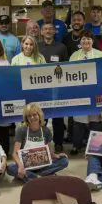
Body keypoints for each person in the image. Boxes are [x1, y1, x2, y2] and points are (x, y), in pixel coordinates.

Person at [7, 103, 68, 183]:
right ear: (26, 118)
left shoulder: (46, 131)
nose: (32, 118)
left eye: (34, 115)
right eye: (29, 116)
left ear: (39, 115)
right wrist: (21, 166)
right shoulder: (21, 130)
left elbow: (48, 152)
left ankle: (31, 177)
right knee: (9, 168)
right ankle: (42, 177)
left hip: (43, 166)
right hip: (26, 166)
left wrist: (56, 156)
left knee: (64, 161)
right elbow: (15, 153)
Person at [69, 30, 102, 155]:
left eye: (88, 39)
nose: (86, 41)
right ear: (80, 41)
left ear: (93, 41)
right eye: (83, 39)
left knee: (95, 121)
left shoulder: (101, 55)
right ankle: (76, 145)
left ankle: (95, 146)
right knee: (79, 120)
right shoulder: (74, 55)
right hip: (79, 93)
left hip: (96, 93)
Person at [38, 22, 69, 153]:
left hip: (57, 87)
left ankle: (58, 143)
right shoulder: (37, 46)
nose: (48, 31)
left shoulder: (61, 47)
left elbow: (67, 67)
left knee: (58, 117)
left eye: (51, 28)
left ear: (54, 31)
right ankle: (41, 142)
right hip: (40, 88)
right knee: (41, 117)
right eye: (45, 29)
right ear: (41, 32)